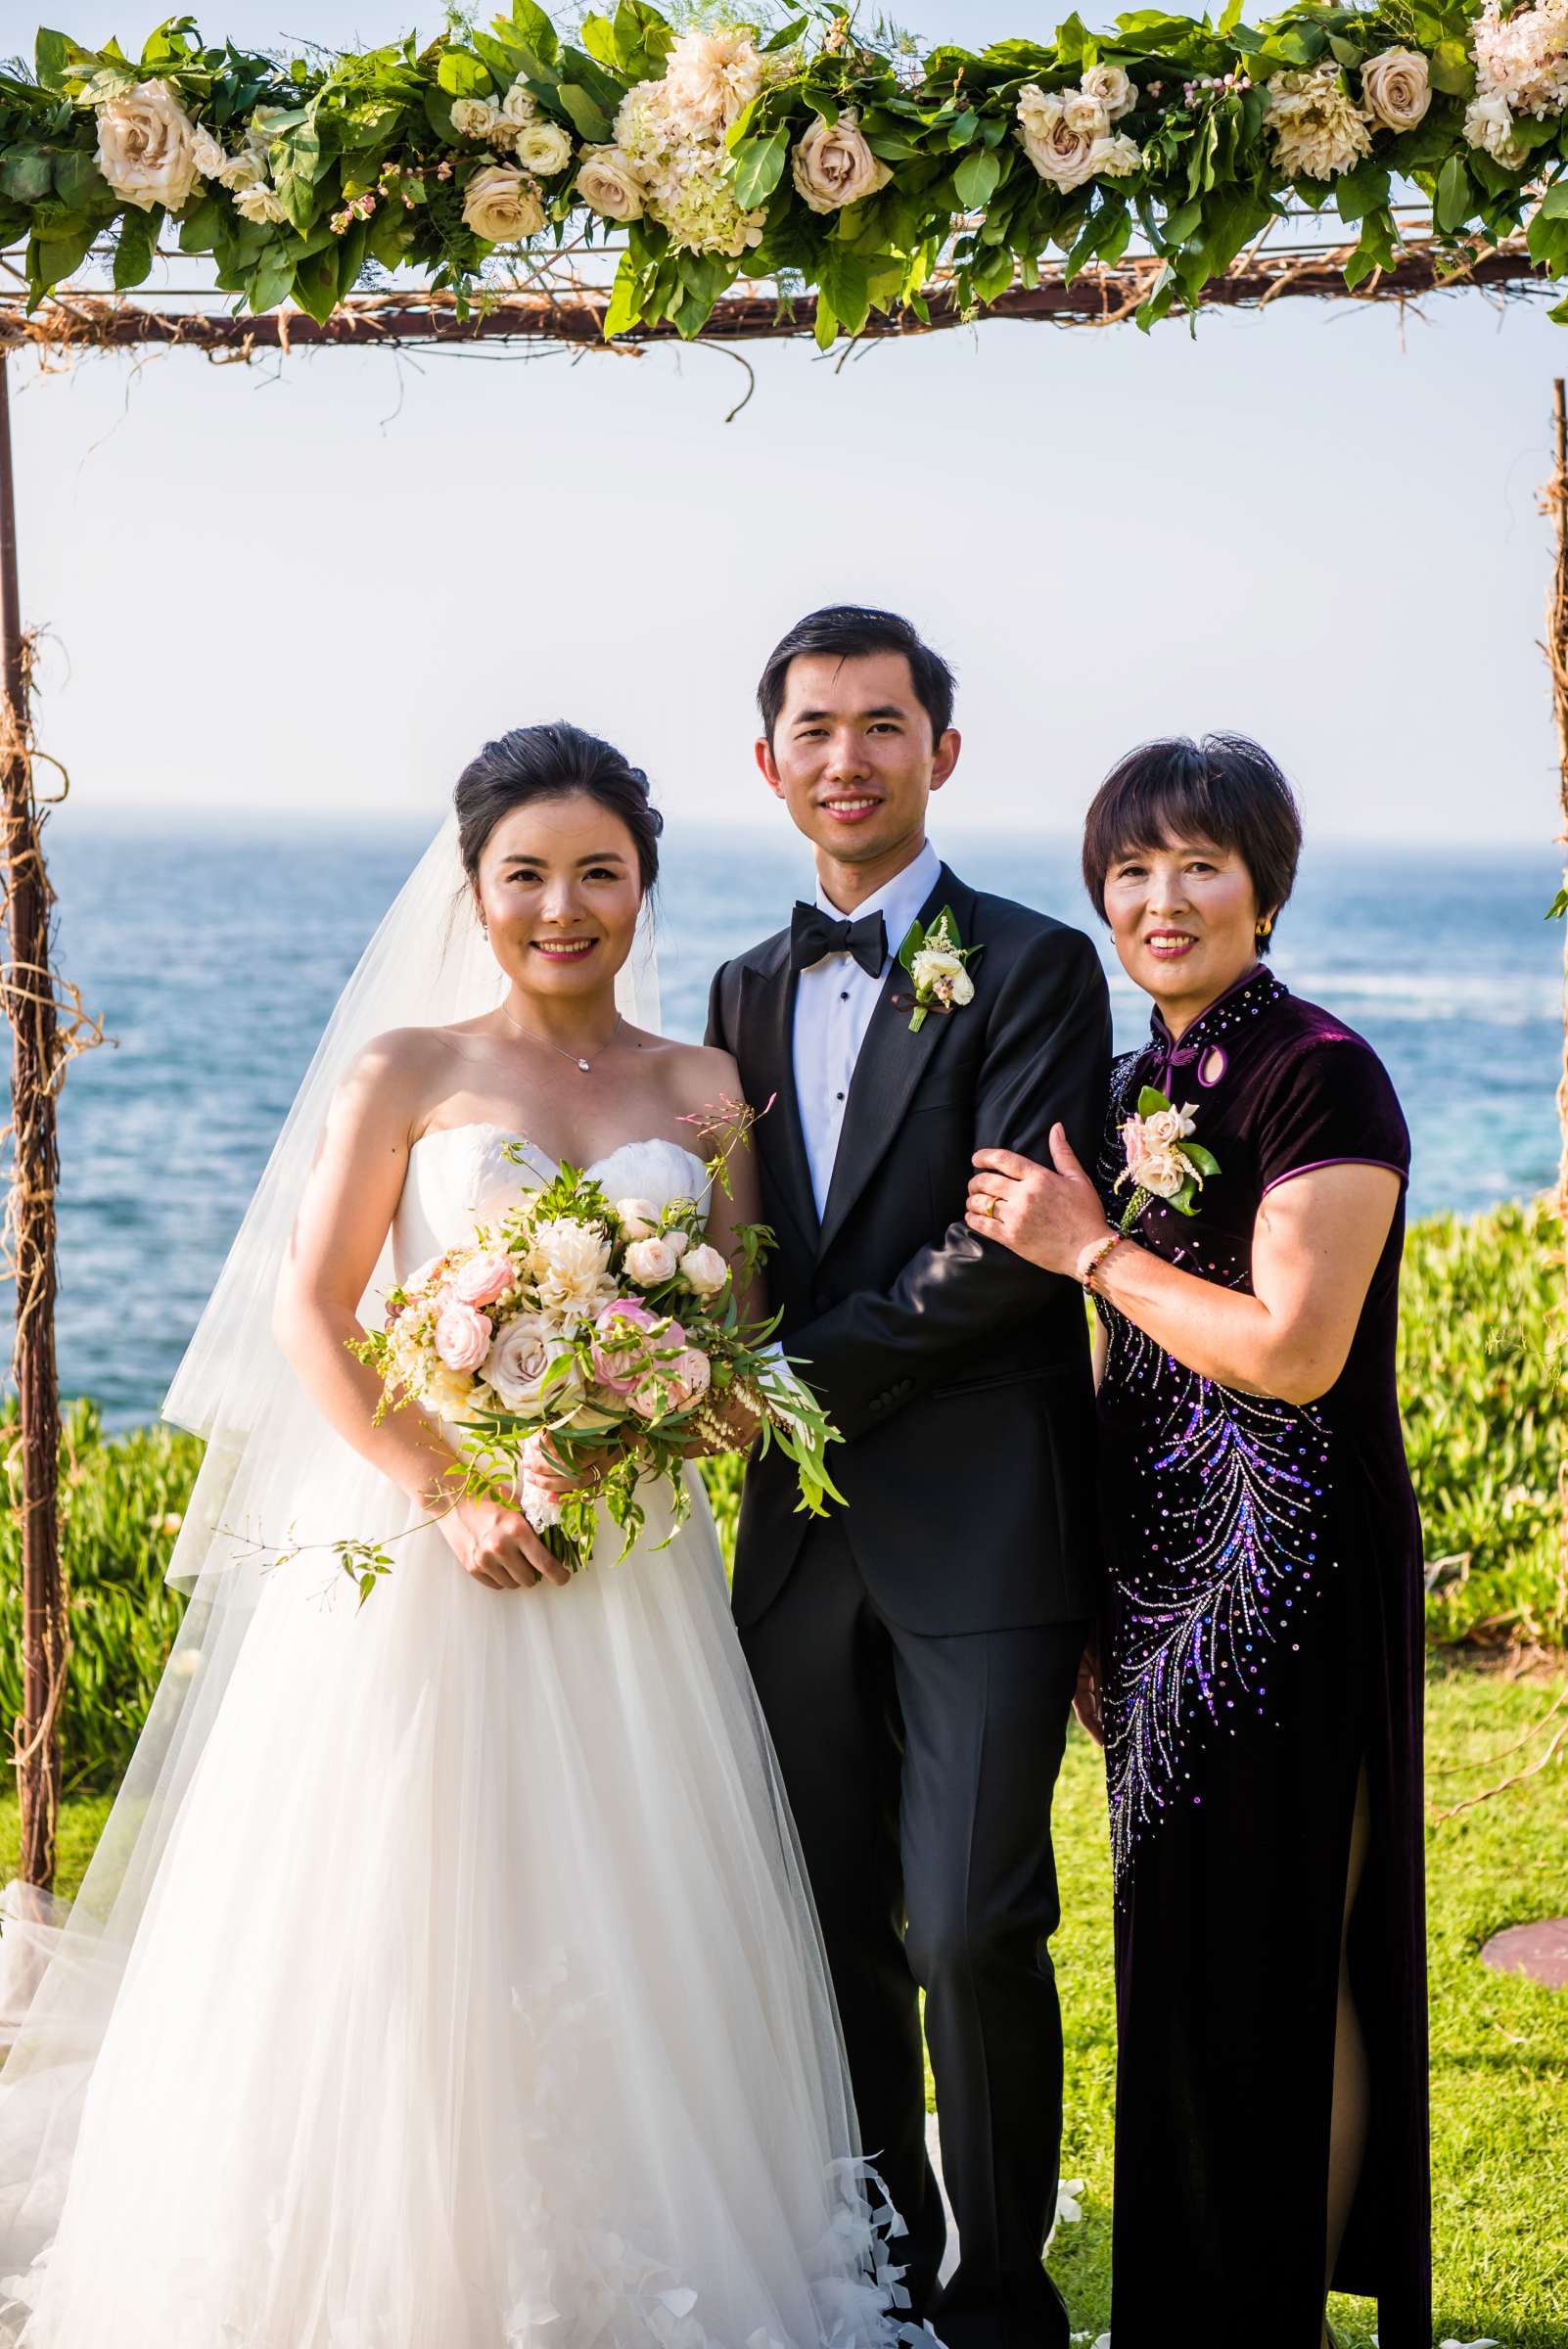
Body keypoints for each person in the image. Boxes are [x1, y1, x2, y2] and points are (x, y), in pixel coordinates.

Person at [0, 723, 923, 2349]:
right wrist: (453, 1489)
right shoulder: (409, 1072)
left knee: (628, 1895)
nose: (563, 908)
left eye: (599, 875)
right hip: (427, 1553)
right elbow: (312, 1311)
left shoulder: (704, 1088)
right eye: (527, 876)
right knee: (395, 1899)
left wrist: (653, 1407)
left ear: (643, 884)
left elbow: (742, 1339)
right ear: (473, 885)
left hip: (624, 1569)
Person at [964, 736, 1431, 2349]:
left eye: (1198, 866)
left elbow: (1294, 1349)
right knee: (1180, 1964)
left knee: (1282, 1958)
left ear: (1262, 885)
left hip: (1288, 1570)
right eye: (1130, 870)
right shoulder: (1127, 1081)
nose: (1160, 900)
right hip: (1157, 1577)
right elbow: (1117, 1373)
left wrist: (1087, 1245)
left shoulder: (1320, 1070)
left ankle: (1257, 2324)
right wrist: (1095, 1582)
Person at [708, 608, 1112, 2349]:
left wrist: (773, 1379)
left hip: (980, 1524)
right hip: (795, 1543)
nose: (847, 757)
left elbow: (1008, 1252)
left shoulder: (1032, 965)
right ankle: (886, 2269)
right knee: (829, 1928)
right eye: (816, 728)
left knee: (966, 1920)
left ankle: (1000, 2292)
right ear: (770, 761)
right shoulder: (736, 987)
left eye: (883, 726)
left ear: (940, 752)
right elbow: (732, 1250)